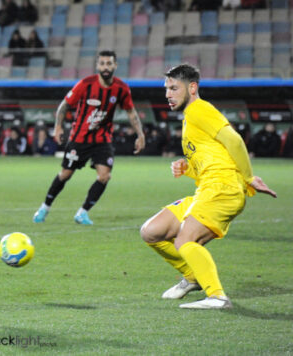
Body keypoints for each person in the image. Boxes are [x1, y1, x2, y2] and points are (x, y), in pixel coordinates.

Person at [139, 64, 277, 309]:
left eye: (173, 88)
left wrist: (248, 177)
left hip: (222, 189)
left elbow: (234, 140)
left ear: (192, 87)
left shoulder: (199, 110)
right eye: (166, 89)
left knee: (184, 241)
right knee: (151, 231)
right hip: (207, 188)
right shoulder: (189, 118)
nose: (167, 94)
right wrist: (187, 168)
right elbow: (212, 159)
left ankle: (217, 296)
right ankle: (192, 277)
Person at [33, 50, 146, 225]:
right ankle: (44, 207)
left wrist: (140, 134)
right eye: (102, 63)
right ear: (97, 66)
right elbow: (64, 105)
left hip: (102, 140)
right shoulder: (85, 85)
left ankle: (82, 212)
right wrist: (57, 127)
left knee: (104, 176)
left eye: (109, 63)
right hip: (79, 139)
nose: (105, 67)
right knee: (65, 174)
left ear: (115, 65)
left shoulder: (121, 88)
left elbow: (131, 112)